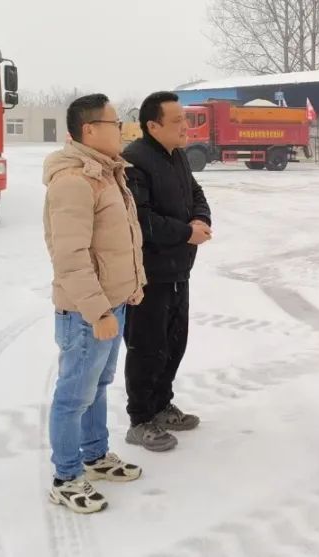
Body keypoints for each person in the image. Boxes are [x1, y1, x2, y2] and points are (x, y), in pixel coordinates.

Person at [42, 93, 147, 514]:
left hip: (110, 303)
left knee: (98, 387)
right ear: (89, 130)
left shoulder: (106, 173)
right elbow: (70, 257)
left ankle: (95, 454)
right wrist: (98, 311)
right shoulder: (74, 181)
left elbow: (120, 241)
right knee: (73, 396)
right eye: (114, 123)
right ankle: (66, 476)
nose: (121, 131)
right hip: (87, 312)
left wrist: (132, 286)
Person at [121, 91, 212, 452]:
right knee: (147, 346)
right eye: (177, 121)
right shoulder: (134, 161)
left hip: (178, 269)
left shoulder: (177, 156)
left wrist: (200, 219)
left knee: (174, 342)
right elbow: (141, 220)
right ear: (153, 126)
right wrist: (186, 233)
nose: (185, 126)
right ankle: (140, 418)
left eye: (185, 119)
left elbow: (197, 194)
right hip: (149, 274)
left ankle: (161, 404)